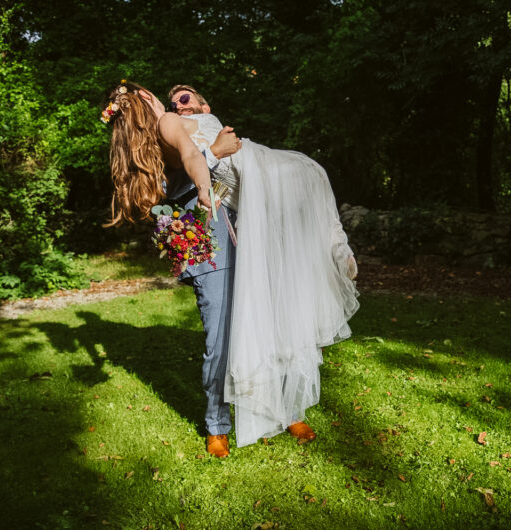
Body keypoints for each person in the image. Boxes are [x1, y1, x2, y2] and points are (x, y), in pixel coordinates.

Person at [102, 81, 359, 457]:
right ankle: (217, 425)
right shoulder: (152, 140)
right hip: (205, 240)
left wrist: (212, 152)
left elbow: (216, 160)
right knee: (220, 336)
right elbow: (174, 181)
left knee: (271, 321)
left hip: (245, 230)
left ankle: (288, 410)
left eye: (186, 97)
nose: (178, 103)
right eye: (173, 100)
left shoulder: (186, 121)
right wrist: (211, 158)